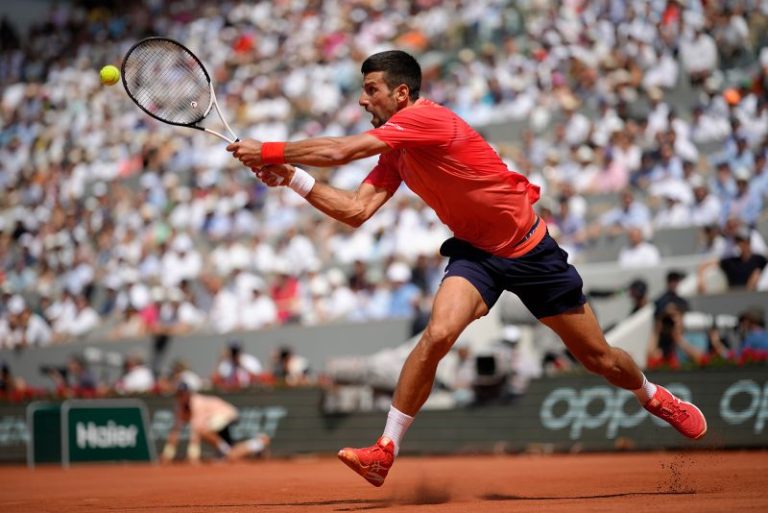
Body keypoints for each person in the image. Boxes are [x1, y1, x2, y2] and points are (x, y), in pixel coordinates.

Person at [227, 50, 707, 487]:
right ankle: (385, 450)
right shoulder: (399, 151)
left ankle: (651, 395)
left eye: (371, 89)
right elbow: (355, 209)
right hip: (477, 255)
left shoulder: (425, 120)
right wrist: (291, 177)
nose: (361, 99)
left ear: (401, 93)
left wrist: (270, 150)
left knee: (599, 359)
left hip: (531, 251)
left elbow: (341, 151)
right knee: (438, 334)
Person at [161, 383, 269, 463]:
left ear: (189, 394)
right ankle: (258, 443)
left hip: (225, 413)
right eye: (179, 394)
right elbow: (175, 430)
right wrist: (168, 453)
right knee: (232, 453)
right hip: (217, 417)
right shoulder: (179, 407)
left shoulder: (197, 403)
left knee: (203, 431)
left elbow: (196, 432)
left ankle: (225, 452)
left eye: (184, 394)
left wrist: (193, 456)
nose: (182, 397)